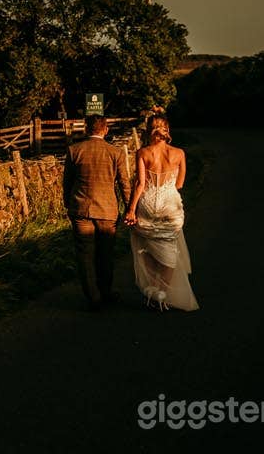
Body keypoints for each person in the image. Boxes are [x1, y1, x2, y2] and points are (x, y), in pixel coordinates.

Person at [126, 113, 199, 311]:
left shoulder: (143, 152)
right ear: (167, 130)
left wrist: (131, 209)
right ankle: (161, 292)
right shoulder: (179, 153)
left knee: (146, 246)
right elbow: (180, 183)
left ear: (150, 130)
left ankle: (151, 288)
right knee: (169, 250)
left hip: (148, 203)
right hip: (170, 204)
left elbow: (140, 183)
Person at [62, 115, 132, 310]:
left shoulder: (74, 150)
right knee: (106, 253)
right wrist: (129, 208)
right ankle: (106, 291)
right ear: (105, 130)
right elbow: (124, 183)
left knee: (85, 254)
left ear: (86, 129)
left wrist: (68, 204)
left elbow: (67, 182)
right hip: (107, 210)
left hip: (80, 208)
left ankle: (93, 297)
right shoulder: (115, 153)